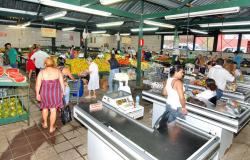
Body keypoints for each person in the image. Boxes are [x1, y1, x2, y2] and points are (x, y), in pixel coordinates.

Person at [36, 57, 64, 133]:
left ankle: (45, 124)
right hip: (55, 93)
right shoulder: (58, 71)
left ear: (45, 64)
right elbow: (62, 83)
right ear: (53, 63)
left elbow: (38, 84)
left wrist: (37, 94)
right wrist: (62, 92)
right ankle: (51, 128)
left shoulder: (42, 72)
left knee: (44, 108)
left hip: (44, 93)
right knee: (53, 109)